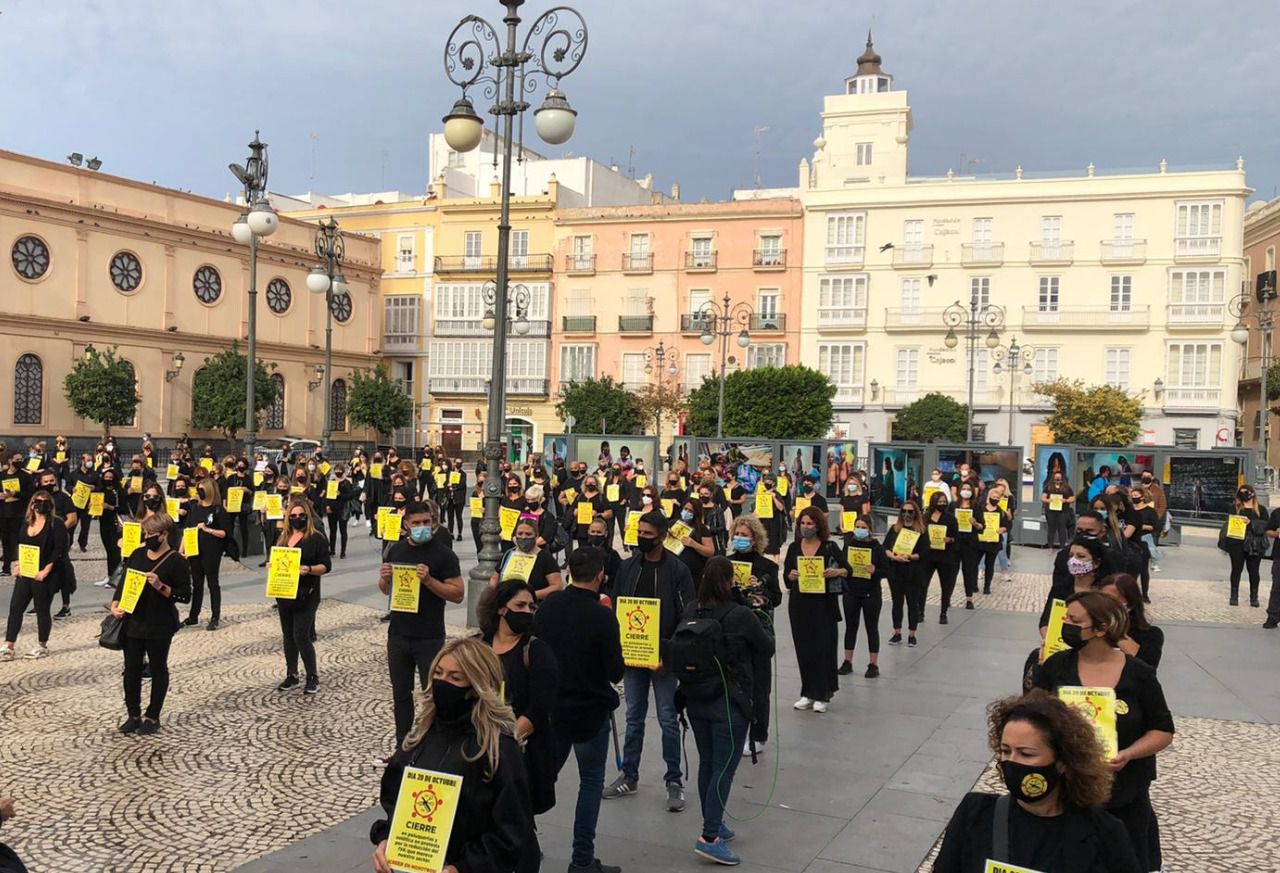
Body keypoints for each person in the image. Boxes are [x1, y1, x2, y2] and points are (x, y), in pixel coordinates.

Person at [1034, 591, 1174, 871]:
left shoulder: (1140, 674)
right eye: (1066, 619)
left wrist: (1129, 754)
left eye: (1075, 621)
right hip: (1065, 791)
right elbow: (1033, 718)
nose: (1066, 626)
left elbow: (1162, 729)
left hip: (1124, 794)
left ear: (1101, 628)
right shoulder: (1056, 666)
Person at [370, 638, 535, 873]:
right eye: (438, 673)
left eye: (455, 678)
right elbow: (395, 799)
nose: (442, 682)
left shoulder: (498, 748)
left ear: (477, 686)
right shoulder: (421, 736)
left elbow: (513, 830)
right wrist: (387, 839)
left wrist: (463, 867)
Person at [932, 690, 1142, 873]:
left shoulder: (1104, 833)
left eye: (1026, 754)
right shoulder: (976, 814)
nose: (1012, 762)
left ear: (1062, 762)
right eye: (1005, 751)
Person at [677, 556, 775, 865]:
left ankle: (714, 821)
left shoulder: (692, 609)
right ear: (730, 580)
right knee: (724, 768)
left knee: (708, 763)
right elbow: (767, 647)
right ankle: (709, 837)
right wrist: (758, 614)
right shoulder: (740, 614)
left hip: (695, 697)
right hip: (730, 700)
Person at [534, 548, 626, 873]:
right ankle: (582, 860)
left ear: (569, 572)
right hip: (591, 712)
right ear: (600, 575)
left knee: (542, 776)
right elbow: (615, 671)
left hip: (554, 709)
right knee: (590, 784)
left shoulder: (549, 606)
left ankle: (521, 838)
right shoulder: (602, 616)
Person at [604, 511, 695, 810]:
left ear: (662, 536)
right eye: (639, 533)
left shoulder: (678, 570)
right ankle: (629, 775)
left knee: (668, 719)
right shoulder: (628, 567)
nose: (641, 538)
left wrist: (670, 654)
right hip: (633, 656)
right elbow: (617, 606)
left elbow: (687, 615)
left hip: (663, 658)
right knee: (633, 716)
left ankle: (674, 780)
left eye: (647, 534)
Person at [478, 580, 560, 836]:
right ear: (501, 608)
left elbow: (540, 708)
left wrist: (504, 743)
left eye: (531, 607)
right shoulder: (478, 647)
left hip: (519, 752)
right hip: (478, 746)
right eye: (520, 605)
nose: (527, 611)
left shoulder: (537, 651)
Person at [109, 514, 191, 734]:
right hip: (133, 620)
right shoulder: (137, 554)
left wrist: (161, 586)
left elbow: (185, 595)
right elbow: (124, 582)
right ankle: (133, 714)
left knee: (158, 667)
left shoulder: (176, 560)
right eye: (145, 533)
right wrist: (116, 604)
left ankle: (153, 716)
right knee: (131, 669)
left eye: (151, 534)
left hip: (159, 623)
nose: (147, 538)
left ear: (164, 535)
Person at [725, 514, 781, 753]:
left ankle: (758, 734)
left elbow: (776, 598)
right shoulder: (726, 563)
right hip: (732, 629)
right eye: (737, 534)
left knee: (759, 683)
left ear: (755, 538)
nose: (739, 538)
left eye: (744, 535)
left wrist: (762, 591)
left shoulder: (768, 566)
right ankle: (735, 728)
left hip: (758, 628)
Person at [783, 506, 848, 712]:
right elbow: (786, 576)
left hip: (824, 604)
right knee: (804, 648)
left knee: (824, 648)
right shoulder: (794, 547)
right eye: (802, 523)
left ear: (818, 525)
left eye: (810, 523)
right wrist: (791, 576)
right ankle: (808, 691)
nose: (805, 527)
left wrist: (836, 571)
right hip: (800, 604)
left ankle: (823, 692)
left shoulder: (830, 547)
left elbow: (848, 569)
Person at [272, 497, 332, 695]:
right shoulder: (283, 537)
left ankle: (312, 676)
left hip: (307, 593)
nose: (297, 518)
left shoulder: (316, 538)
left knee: (301, 634)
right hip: (284, 592)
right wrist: (272, 565)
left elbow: (326, 566)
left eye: (301, 515)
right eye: (293, 515)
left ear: (308, 516)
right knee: (288, 635)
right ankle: (292, 674)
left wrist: (309, 569)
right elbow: (277, 560)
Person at [2, 490, 67, 660]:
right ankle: (9, 645)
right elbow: (20, 544)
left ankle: (42, 644)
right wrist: (17, 565)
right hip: (26, 572)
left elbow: (59, 549)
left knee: (42, 610)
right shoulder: (26, 523)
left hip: (44, 574)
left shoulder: (56, 523)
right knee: (16, 608)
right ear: (32, 504)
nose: (42, 505)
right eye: (38, 501)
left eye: (45, 502)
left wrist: (46, 570)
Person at [839, 513, 884, 678]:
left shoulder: (877, 547)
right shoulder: (849, 545)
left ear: (870, 529)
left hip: (871, 592)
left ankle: (873, 663)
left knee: (871, 627)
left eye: (863, 528)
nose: (860, 530)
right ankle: (847, 661)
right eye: (857, 527)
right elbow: (842, 563)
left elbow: (887, 570)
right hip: (851, 591)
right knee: (850, 627)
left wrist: (875, 571)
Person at [183, 478, 229, 631]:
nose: (199, 492)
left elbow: (224, 533)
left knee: (212, 583)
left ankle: (215, 616)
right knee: (196, 584)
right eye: (198, 490)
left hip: (212, 550)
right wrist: (182, 550)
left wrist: (207, 529)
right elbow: (187, 530)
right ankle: (193, 615)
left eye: (202, 490)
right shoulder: (194, 508)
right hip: (194, 550)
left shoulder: (218, 510)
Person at [1094, 573, 1164, 671]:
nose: (1104, 605)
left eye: (1112, 601)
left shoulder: (1150, 635)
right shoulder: (1089, 629)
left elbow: (1147, 668)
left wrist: (1116, 633)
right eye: (1101, 599)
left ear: (1130, 604)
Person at [884, 500, 927, 647]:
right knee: (897, 603)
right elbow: (885, 547)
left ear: (916, 513)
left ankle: (912, 634)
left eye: (910, 511)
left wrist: (910, 556)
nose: (906, 514)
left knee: (912, 604)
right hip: (896, 571)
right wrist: (893, 557)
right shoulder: (894, 529)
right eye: (904, 511)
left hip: (913, 572)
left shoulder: (921, 531)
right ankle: (897, 632)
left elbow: (925, 552)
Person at [490, 516, 563, 599]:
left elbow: (557, 586)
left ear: (536, 536)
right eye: (520, 533)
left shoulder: (545, 558)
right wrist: (494, 593)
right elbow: (495, 577)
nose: (523, 537)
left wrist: (531, 596)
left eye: (528, 534)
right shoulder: (509, 554)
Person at [1223, 485, 1266, 607]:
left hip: (1255, 544)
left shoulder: (1261, 510)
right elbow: (1229, 523)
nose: (1243, 495)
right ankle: (1234, 596)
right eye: (1241, 493)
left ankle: (1254, 597)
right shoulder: (1235, 508)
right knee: (1236, 569)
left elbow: (1265, 525)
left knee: (1253, 570)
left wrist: (1251, 523)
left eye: (1246, 492)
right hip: (1237, 542)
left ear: (1252, 493)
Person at [924, 490, 960, 624]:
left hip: (945, 556)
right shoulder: (925, 517)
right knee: (923, 584)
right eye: (940, 502)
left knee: (946, 586)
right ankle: (920, 611)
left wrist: (950, 540)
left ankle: (943, 612)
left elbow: (957, 538)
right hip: (928, 555)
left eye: (944, 502)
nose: (942, 504)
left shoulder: (951, 518)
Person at [1126, 486, 1158, 602]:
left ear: (1143, 497)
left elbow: (1155, 526)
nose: (1134, 498)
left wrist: (1141, 526)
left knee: (1143, 569)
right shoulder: (1130, 510)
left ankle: (1144, 594)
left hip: (1144, 540)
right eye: (1132, 496)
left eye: (1136, 496)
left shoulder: (1150, 511)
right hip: (1131, 541)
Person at [324, 464, 354, 559]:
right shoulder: (331, 482)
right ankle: (332, 550)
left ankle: (343, 551)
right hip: (332, 508)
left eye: (340, 470)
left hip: (342, 509)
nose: (338, 472)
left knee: (343, 530)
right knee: (332, 530)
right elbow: (327, 495)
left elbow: (351, 495)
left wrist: (340, 494)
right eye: (336, 470)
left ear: (343, 471)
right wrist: (327, 506)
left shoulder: (347, 483)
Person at [1041, 469, 1076, 550]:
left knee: (1062, 528)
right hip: (1050, 511)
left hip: (1063, 511)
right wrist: (1048, 500)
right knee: (1051, 529)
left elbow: (1072, 498)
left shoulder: (1067, 487)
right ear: (1053, 478)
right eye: (1056, 478)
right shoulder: (1048, 487)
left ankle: (1062, 546)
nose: (1057, 479)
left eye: (1059, 478)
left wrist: (1066, 500)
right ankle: (1050, 546)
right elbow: (1043, 498)